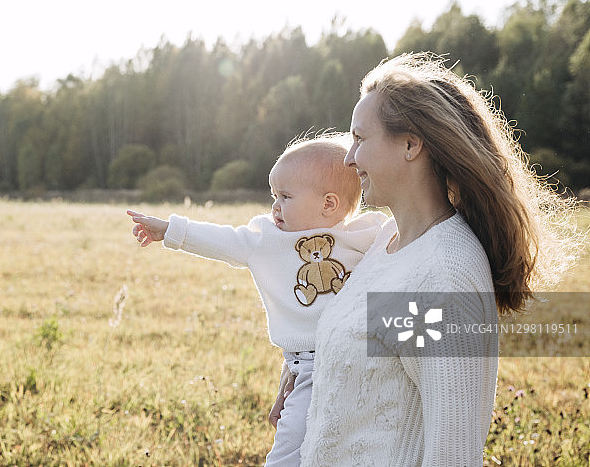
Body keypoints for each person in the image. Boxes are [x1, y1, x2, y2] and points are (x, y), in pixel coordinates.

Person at [288, 53, 582, 466]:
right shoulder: (388, 240)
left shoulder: (444, 272)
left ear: (410, 145)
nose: (349, 158)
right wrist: (308, 371)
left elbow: (453, 452)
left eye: (360, 139)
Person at [127, 133, 387, 467]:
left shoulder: (368, 232)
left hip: (357, 362)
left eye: (286, 196)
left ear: (329, 204)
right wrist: (168, 230)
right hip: (308, 368)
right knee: (290, 446)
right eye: (274, 196)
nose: (275, 206)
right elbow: (222, 240)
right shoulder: (266, 238)